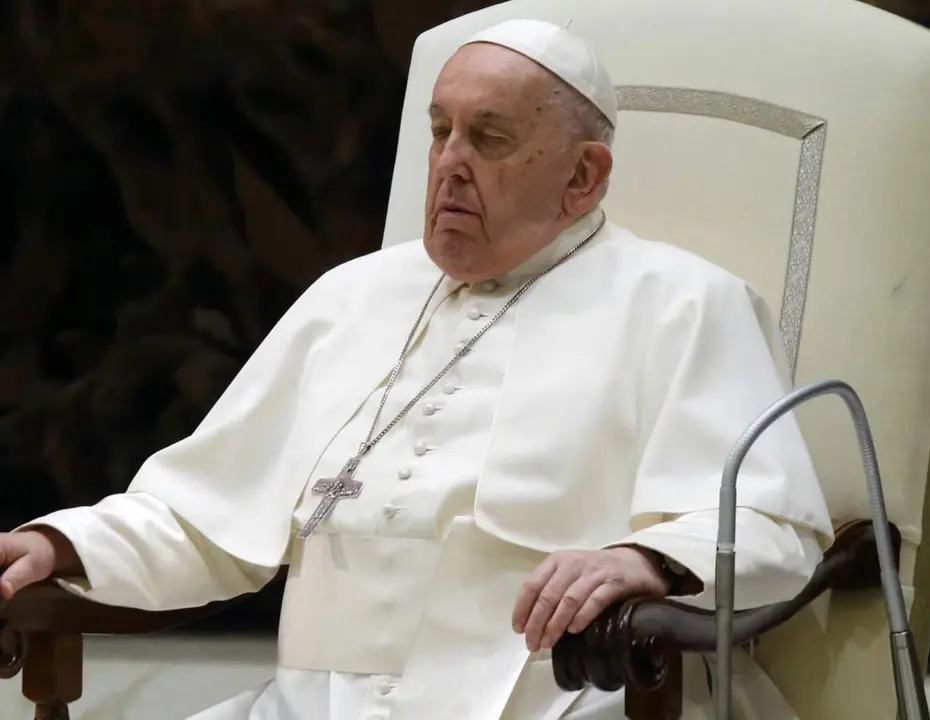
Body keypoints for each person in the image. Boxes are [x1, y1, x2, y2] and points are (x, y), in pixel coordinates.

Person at [0, 18, 833, 720]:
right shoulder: (350, 296)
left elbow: (772, 526)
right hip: (314, 705)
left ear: (582, 176)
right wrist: (56, 543)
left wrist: (644, 561)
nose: (448, 163)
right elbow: (202, 514)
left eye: (489, 138)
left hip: (559, 701)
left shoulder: (685, 304)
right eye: (440, 131)